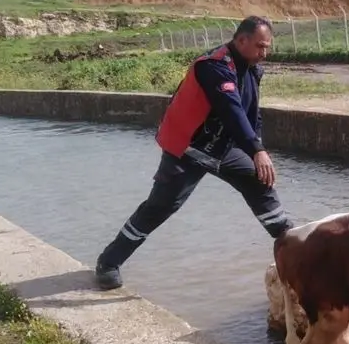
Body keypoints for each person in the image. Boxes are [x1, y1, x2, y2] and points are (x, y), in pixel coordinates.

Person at [94, 15, 293, 290]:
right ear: (241, 40)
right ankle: (108, 262)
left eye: (267, 47)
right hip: (189, 150)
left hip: (224, 148)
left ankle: (292, 244)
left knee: (260, 181)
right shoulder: (213, 66)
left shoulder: (251, 69)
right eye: (260, 46)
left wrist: (258, 149)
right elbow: (231, 111)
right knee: (159, 207)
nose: (264, 53)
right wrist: (256, 150)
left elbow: (251, 116)